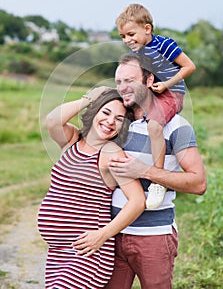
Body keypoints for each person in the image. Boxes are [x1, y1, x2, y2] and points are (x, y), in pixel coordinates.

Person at [104, 53, 207, 289]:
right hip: (113, 235)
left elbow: (198, 183)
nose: (122, 88)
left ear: (149, 80)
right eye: (118, 82)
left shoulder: (176, 127)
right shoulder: (116, 122)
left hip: (154, 237)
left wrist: (145, 171)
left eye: (129, 80)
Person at [37, 88, 147, 289]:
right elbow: (52, 120)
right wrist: (89, 98)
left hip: (88, 254)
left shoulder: (111, 152)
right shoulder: (72, 140)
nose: (110, 121)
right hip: (58, 253)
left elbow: (138, 201)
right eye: (105, 113)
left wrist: (102, 235)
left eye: (119, 119)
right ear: (94, 111)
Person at [115, 3, 197, 209]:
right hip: (155, 91)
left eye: (131, 34)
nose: (127, 40)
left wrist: (167, 84)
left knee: (153, 126)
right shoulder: (139, 53)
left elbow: (189, 66)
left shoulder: (165, 45)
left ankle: (157, 182)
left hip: (172, 92)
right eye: (123, 37)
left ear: (147, 29)